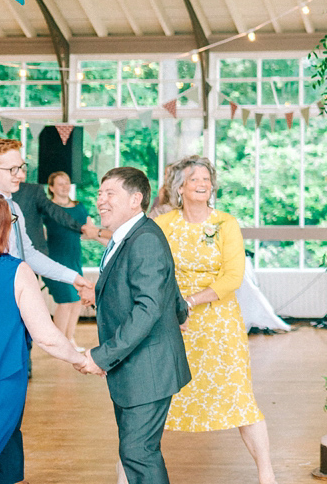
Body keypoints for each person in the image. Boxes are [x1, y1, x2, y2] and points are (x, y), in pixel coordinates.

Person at [0, 137, 95, 484]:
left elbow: (29, 254)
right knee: (1, 411)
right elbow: (15, 268)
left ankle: (8, 476)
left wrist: (74, 277)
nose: (21, 174)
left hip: (13, 321)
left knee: (10, 415)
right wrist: (78, 358)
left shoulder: (13, 207)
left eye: (22, 166)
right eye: (12, 168)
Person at [154, 155, 275, 484]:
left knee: (239, 398)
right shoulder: (163, 225)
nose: (203, 184)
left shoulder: (226, 224)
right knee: (152, 401)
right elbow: (150, 268)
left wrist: (190, 301)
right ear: (179, 187)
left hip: (219, 325)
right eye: (194, 179)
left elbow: (233, 276)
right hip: (174, 326)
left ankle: (267, 475)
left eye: (207, 178)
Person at [84, 166, 191, 484]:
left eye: (110, 193)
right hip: (136, 366)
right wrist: (179, 314)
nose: (101, 200)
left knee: (138, 452)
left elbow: (147, 309)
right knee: (137, 450)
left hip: (148, 368)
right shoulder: (131, 235)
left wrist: (103, 356)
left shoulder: (143, 239)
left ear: (136, 199)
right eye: (100, 193)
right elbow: (165, 287)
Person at [44, 171, 102, 346]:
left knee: (76, 300)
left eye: (67, 182)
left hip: (74, 259)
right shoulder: (47, 208)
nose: (64, 186)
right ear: (52, 187)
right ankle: (58, 343)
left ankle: (69, 339)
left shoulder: (79, 207)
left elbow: (88, 232)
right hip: (53, 260)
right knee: (66, 301)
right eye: (60, 183)